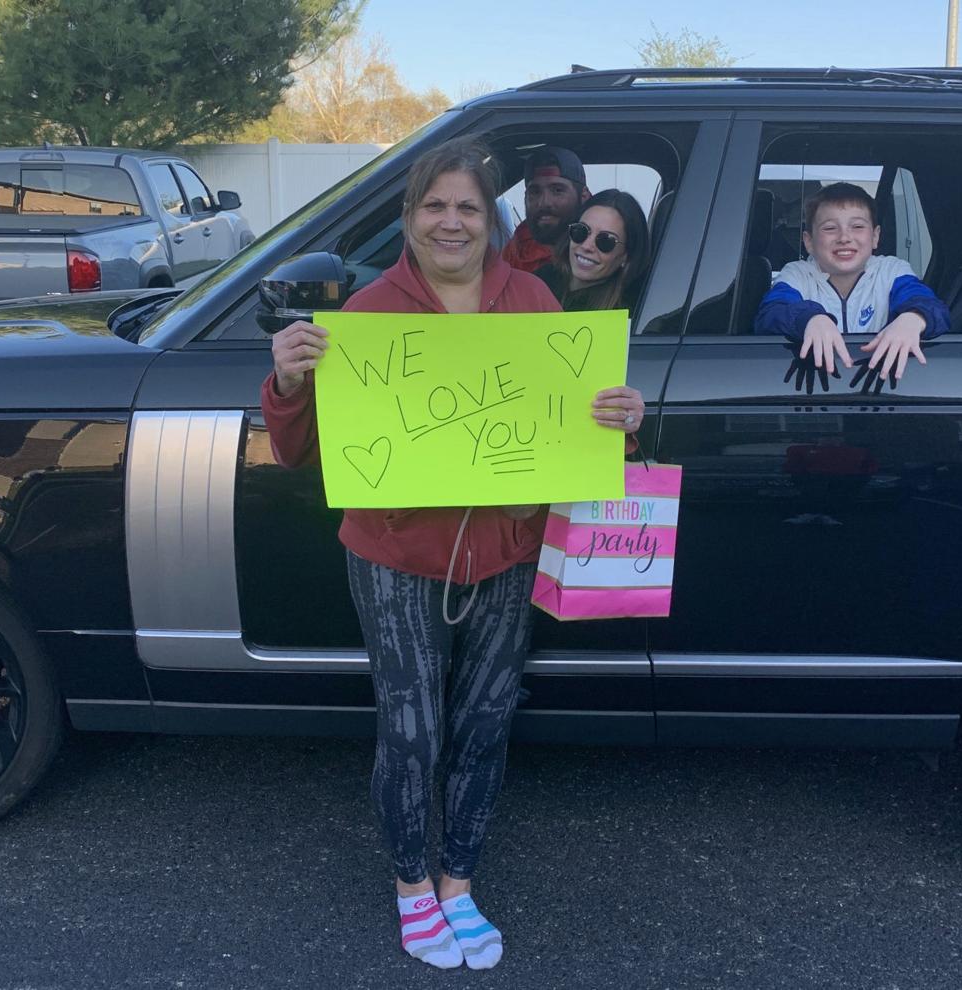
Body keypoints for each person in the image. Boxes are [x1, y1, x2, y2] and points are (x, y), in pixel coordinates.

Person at [259, 137, 644, 971]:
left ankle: (458, 881)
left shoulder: (536, 302)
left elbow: (568, 429)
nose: (451, 221)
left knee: (485, 722)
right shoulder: (366, 318)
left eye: (468, 207)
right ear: (409, 217)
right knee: (411, 728)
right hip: (395, 553)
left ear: (491, 218)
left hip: (506, 551)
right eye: (435, 205)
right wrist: (287, 385)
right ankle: (411, 889)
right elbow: (296, 453)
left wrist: (616, 415)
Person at [755, 182, 950, 380]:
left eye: (857, 226)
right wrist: (810, 318)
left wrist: (914, 318)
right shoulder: (798, 275)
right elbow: (771, 313)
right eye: (830, 228)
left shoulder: (892, 271)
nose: (845, 237)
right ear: (809, 242)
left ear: (875, 236)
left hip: (879, 382)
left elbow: (927, 303)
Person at [534, 189, 650, 312]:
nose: (586, 246)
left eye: (605, 241)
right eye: (581, 231)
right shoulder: (539, 281)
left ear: (626, 256)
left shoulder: (631, 314)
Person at [502, 145, 590, 274]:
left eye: (557, 190)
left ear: (584, 196)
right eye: (535, 192)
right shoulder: (518, 248)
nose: (544, 202)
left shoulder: (602, 244)